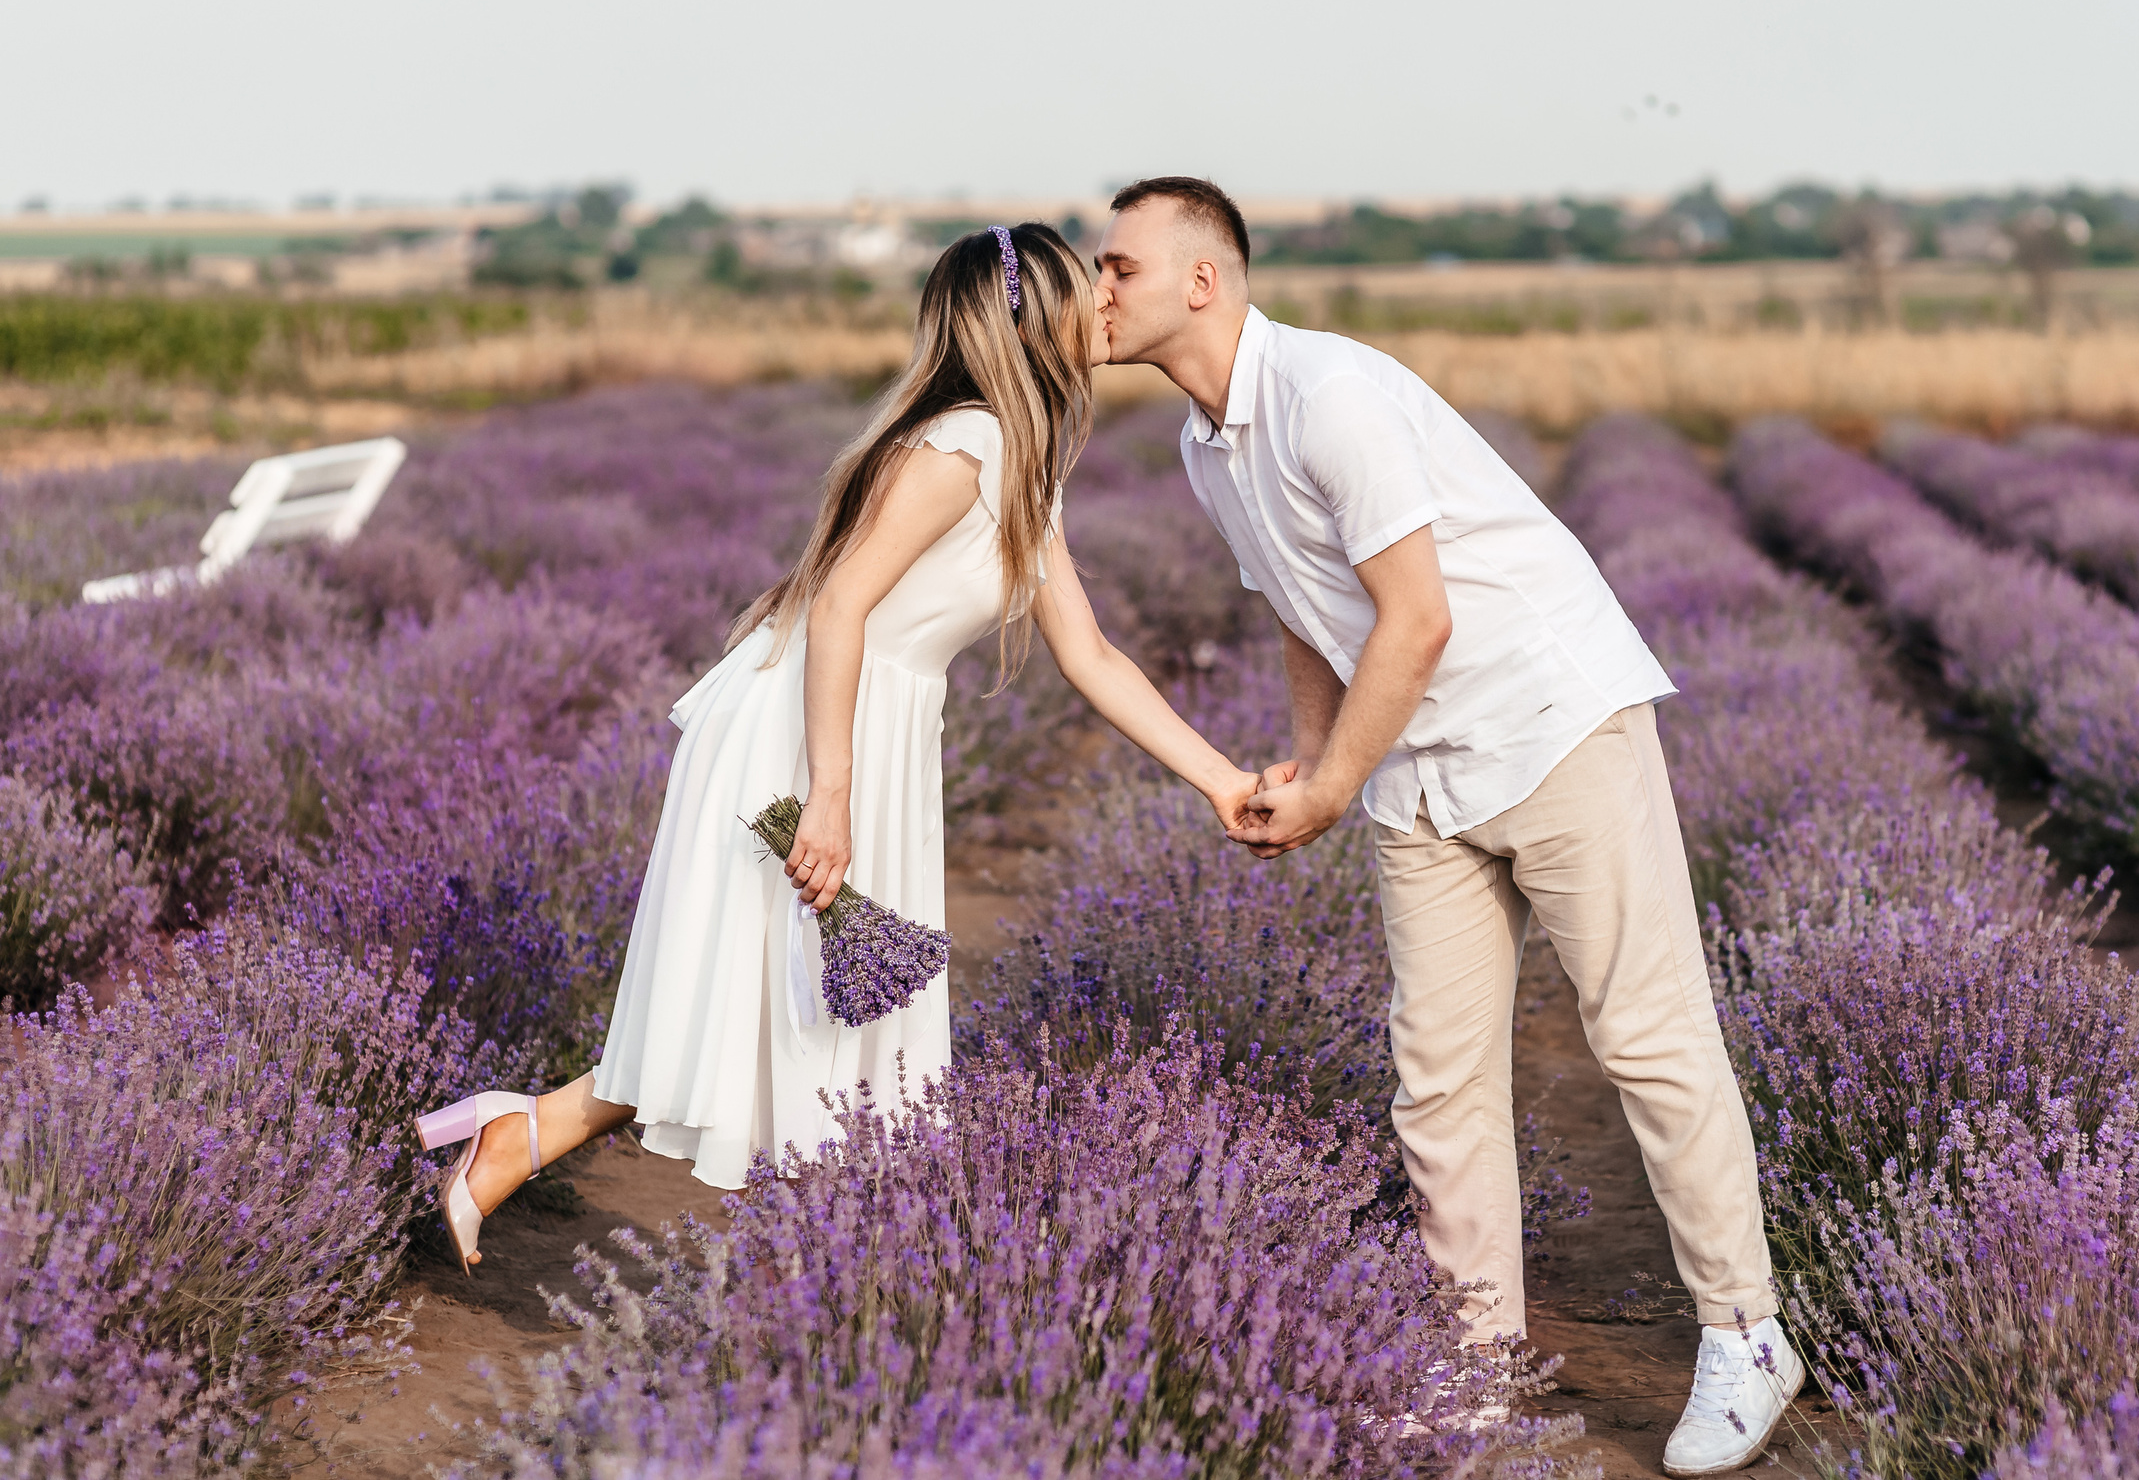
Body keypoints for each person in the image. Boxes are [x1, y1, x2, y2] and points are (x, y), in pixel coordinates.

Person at [1092, 176, 1798, 1477]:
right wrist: (1316, 763)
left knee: (1644, 1034)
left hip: (1549, 722)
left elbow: (1417, 618)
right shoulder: (1204, 445)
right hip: (1418, 765)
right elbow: (1304, 607)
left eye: (1116, 265)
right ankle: (1475, 1368)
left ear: (1202, 278)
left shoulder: (1329, 396)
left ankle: (1745, 1333)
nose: (1095, 289)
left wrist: (1330, 788)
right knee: (1437, 1073)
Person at [412, 222, 1262, 1273]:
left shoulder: (1020, 459)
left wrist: (1222, 781)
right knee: (782, 1010)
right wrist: (830, 791)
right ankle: (831, 1271)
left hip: (859, 730)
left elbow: (1091, 656)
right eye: (1082, 285)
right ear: (1030, 320)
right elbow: (841, 605)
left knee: (780, 1005)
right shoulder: (968, 443)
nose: (1103, 300)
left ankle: (537, 1141)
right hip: (804, 731)